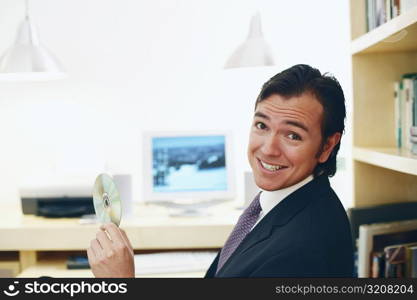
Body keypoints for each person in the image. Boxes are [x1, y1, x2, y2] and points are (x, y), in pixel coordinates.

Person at [87, 64, 354, 278]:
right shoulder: (281, 204)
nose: (268, 149)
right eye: (262, 126)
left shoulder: (301, 249)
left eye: (292, 135)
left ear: (327, 145)